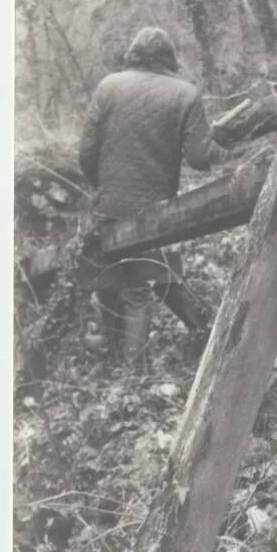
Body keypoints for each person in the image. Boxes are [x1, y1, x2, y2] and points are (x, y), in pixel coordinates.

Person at [79, 26, 214, 367]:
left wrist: (103, 187)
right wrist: (218, 143)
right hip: (156, 212)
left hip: (108, 206)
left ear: (133, 55)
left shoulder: (109, 86)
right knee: (142, 285)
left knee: (112, 282)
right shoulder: (186, 94)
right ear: (169, 58)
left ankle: (127, 370)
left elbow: (86, 153)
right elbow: (200, 158)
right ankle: (134, 374)